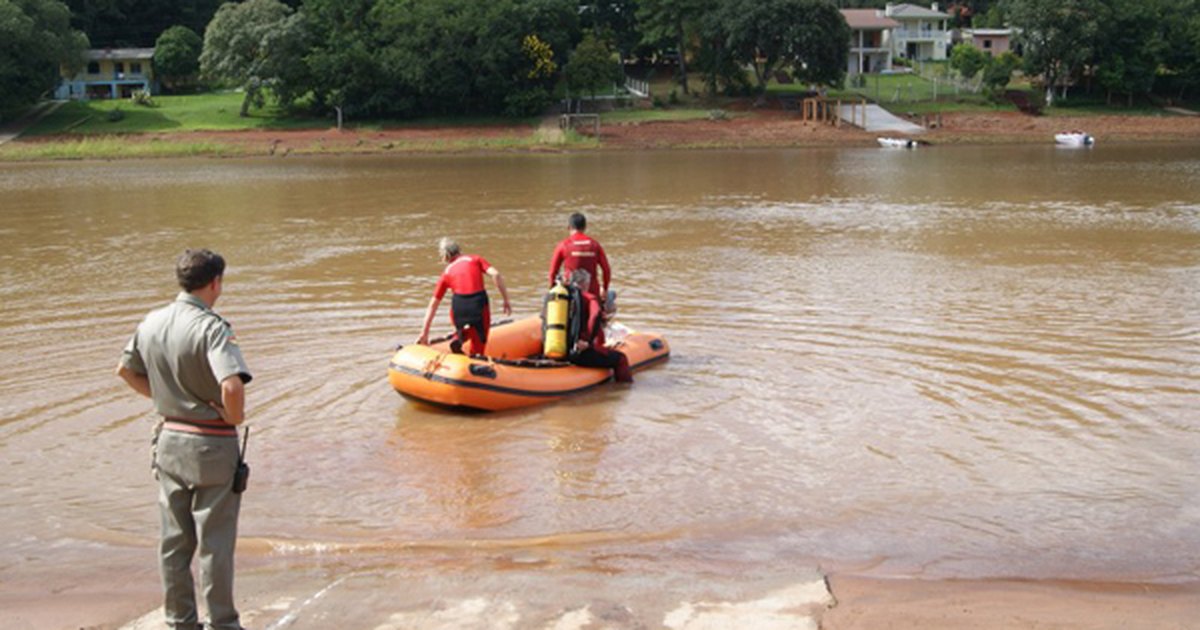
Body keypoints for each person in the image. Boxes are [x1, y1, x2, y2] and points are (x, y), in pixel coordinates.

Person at [116, 248, 252, 630]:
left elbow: (124, 371)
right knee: (215, 543)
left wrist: (162, 398)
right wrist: (232, 417)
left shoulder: (152, 321)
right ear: (215, 283)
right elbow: (231, 385)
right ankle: (223, 623)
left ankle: (180, 621)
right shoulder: (212, 327)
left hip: (170, 438)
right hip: (211, 443)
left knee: (174, 542)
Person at [417, 237, 512, 355]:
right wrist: (506, 300)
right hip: (478, 303)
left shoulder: (446, 273)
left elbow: (433, 305)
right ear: (459, 250)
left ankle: (459, 337)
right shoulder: (475, 259)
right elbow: (496, 274)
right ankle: (474, 360)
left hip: (458, 306)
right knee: (479, 344)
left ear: (444, 257)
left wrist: (424, 333)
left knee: (464, 326)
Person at [566, 269, 632, 384]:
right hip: (579, 353)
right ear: (585, 284)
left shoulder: (563, 296)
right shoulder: (588, 298)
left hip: (559, 350)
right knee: (621, 359)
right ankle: (624, 389)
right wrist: (587, 341)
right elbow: (595, 315)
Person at [548, 212, 611, 298]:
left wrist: (552, 288)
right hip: (592, 294)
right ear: (585, 227)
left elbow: (552, 272)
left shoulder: (563, 245)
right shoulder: (595, 245)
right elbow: (606, 270)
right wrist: (605, 289)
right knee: (612, 295)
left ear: (569, 228)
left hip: (570, 294)